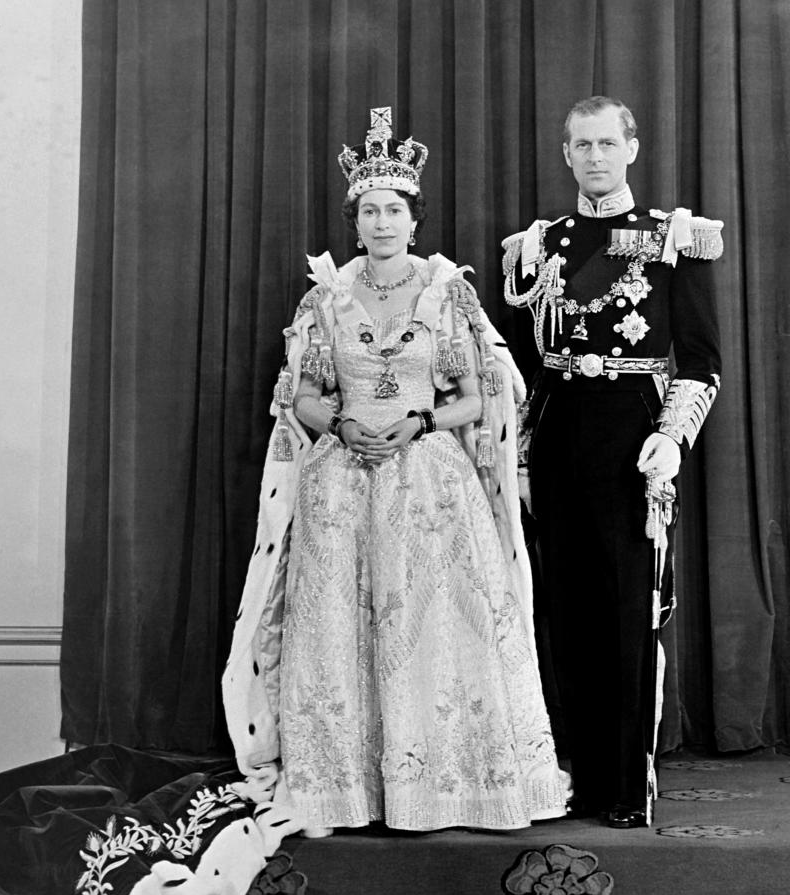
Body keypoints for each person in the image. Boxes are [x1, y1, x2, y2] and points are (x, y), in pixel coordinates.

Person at [224, 107, 569, 837]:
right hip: (342, 482)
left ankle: (447, 785)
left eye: (396, 210)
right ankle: (346, 788)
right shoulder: (325, 299)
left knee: (435, 625)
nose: (383, 222)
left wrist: (419, 421)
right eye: (371, 210)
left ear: (414, 221)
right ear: (357, 222)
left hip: (429, 480)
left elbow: (477, 396)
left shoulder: (449, 294)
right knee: (342, 628)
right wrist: (342, 425)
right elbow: (303, 396)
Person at [502, 95, 723, 829]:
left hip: (634, 435)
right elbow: (530, 366)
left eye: (606, 143)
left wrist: (674, 434)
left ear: (631, 147)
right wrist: (523, 453)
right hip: (561, 430)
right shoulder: (540, 246)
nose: (594, 157)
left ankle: (625, 786)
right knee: (562, 610)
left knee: (627, 611)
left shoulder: (674, 239)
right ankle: (572, 773)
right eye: (581, 145)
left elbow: (699, 359)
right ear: (566, 154)